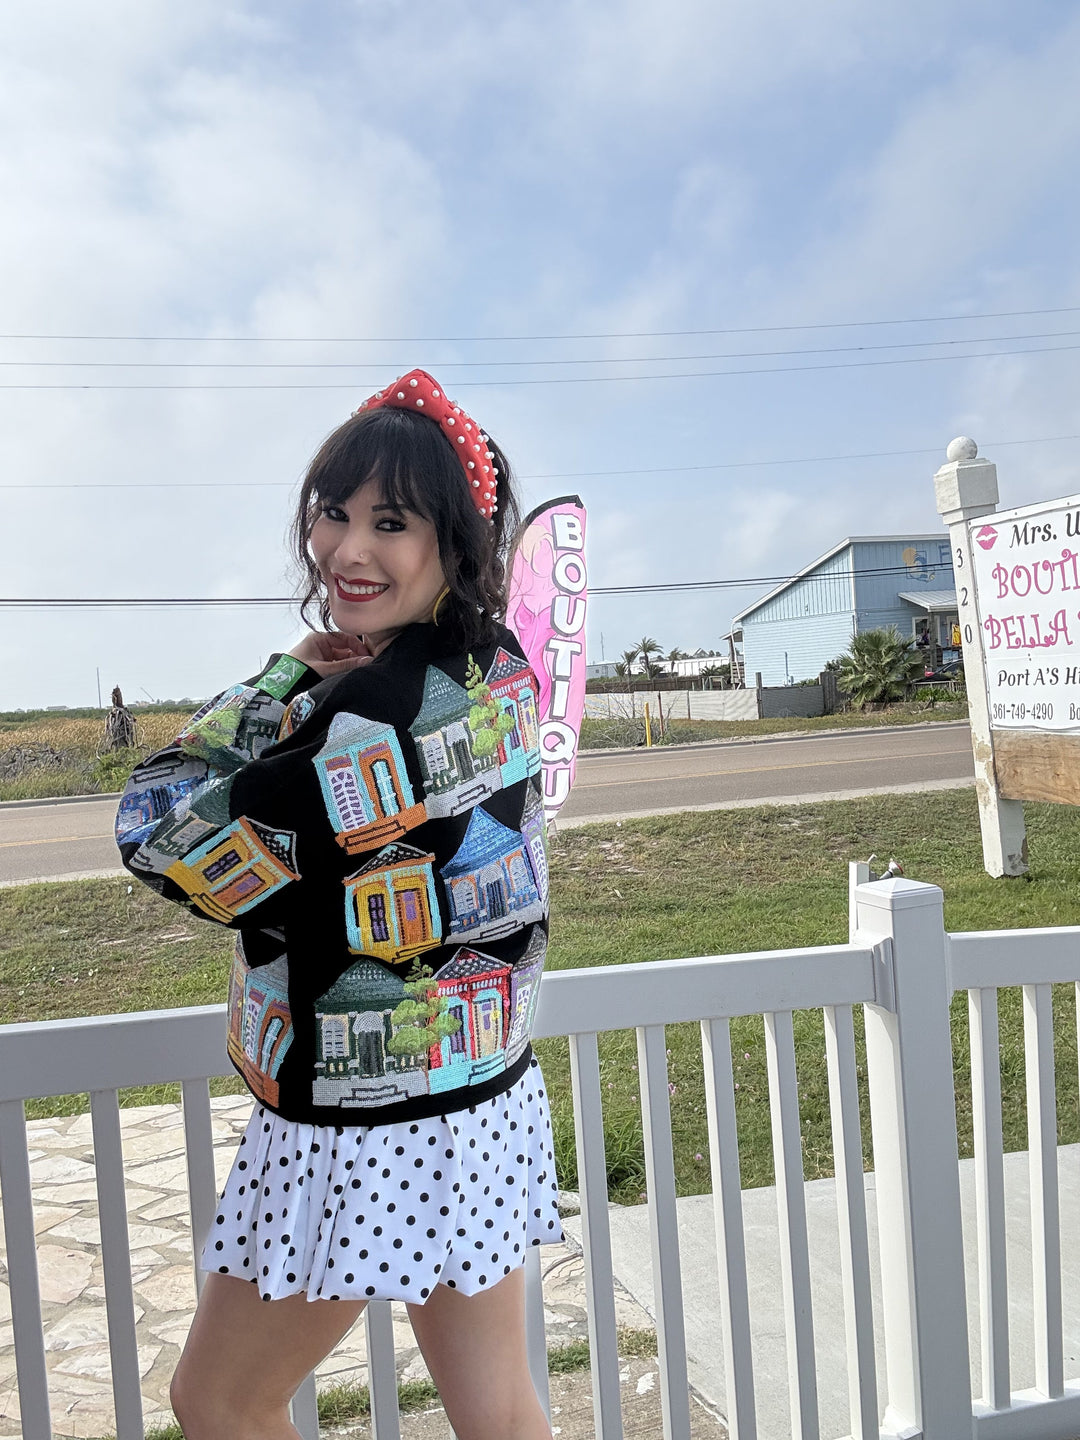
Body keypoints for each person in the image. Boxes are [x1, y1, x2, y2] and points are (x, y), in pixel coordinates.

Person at [115, 370, 560, 1440]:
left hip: (365, 1127)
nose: (346, 550)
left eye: (391, 523)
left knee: (219, 1401)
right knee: (499, 1409)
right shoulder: (495, 665)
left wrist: (275, 687)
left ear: (456, 540)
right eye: (334, 512)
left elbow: (162, 834)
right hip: (477, 1096)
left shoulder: (367, 708)